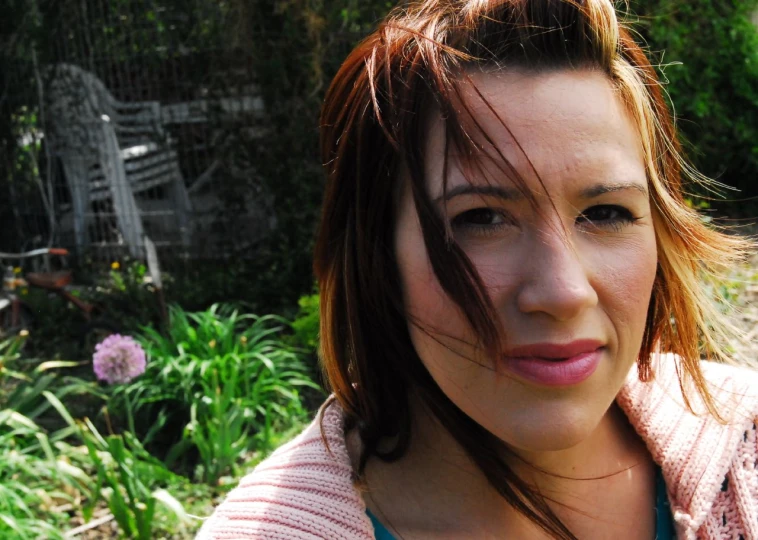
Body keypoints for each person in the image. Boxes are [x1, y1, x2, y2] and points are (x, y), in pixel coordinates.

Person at [197, 0, 758, 538]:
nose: (563, 292)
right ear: (376, 255)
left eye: (605, 212)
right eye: (482, 218)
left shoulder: (746, 442)